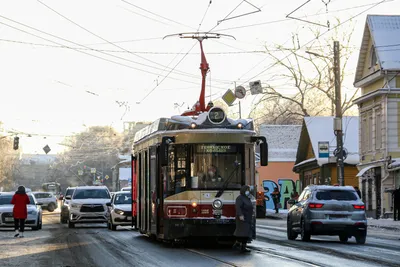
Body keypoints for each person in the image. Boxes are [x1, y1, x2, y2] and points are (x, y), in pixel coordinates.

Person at [232, 185, 253, 253]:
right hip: (242, 218)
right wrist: (240, 215)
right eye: (247, 190)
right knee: (242, 233)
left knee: (246, 233)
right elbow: (238, 207)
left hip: (248, 217)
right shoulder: (240, 198)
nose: (248, 191)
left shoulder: (247, 198)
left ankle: (243, 246)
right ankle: (238, 244)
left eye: (248, 190)